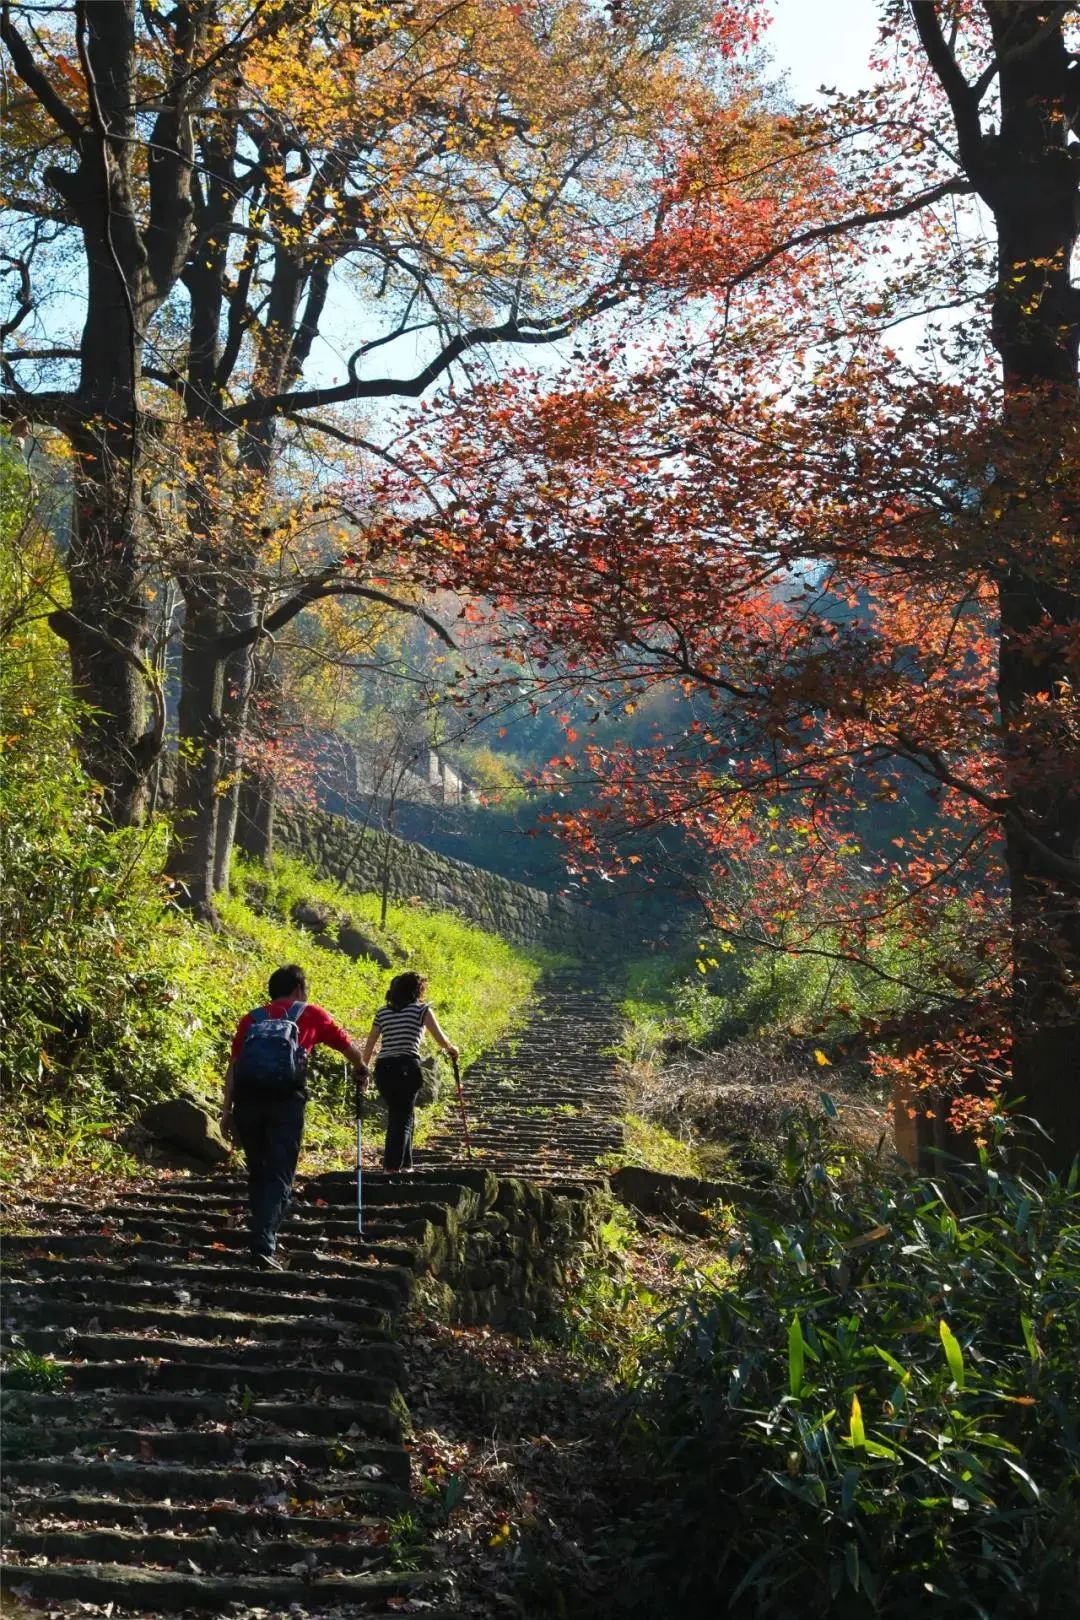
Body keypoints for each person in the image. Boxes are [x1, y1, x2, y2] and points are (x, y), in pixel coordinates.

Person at [222, 964, 369, 1270]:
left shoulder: (252, 1018)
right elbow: (347, 1046)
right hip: (285, 1103)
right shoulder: (311, 1013)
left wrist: (226, 1111)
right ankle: (263, 1242)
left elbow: (234, 1067)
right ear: (299, 989)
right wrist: (362, 1068)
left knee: (259, 1170)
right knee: (280, 1172)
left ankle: (260, 1234)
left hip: (247, 1102)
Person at [360, 972, 459, 1172]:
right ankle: (391, 1167)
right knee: (402, 1116)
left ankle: (405, 1165)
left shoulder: (382, 1012)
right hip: (406, 1066)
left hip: (384, 1068)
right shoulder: (422, 1010)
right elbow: (440, 1039)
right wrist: (452, 1049)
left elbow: (371, 1043)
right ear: (417, 990)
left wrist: (363, 1069)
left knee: (402, 1114)